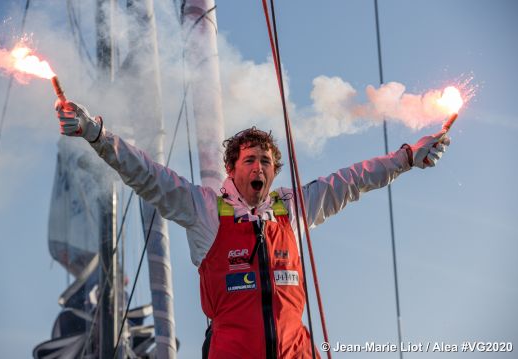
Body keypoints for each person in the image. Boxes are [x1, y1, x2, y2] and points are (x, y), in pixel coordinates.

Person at [55, 100, 450, 359]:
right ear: (232, 169)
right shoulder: (206, 211)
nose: (257, 167)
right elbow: (147, 174)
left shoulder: (292, 210)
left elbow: (351, 180)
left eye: (265, 160)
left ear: (275, 171)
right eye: (248, 160)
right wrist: (96, 133)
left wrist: (407, 157)